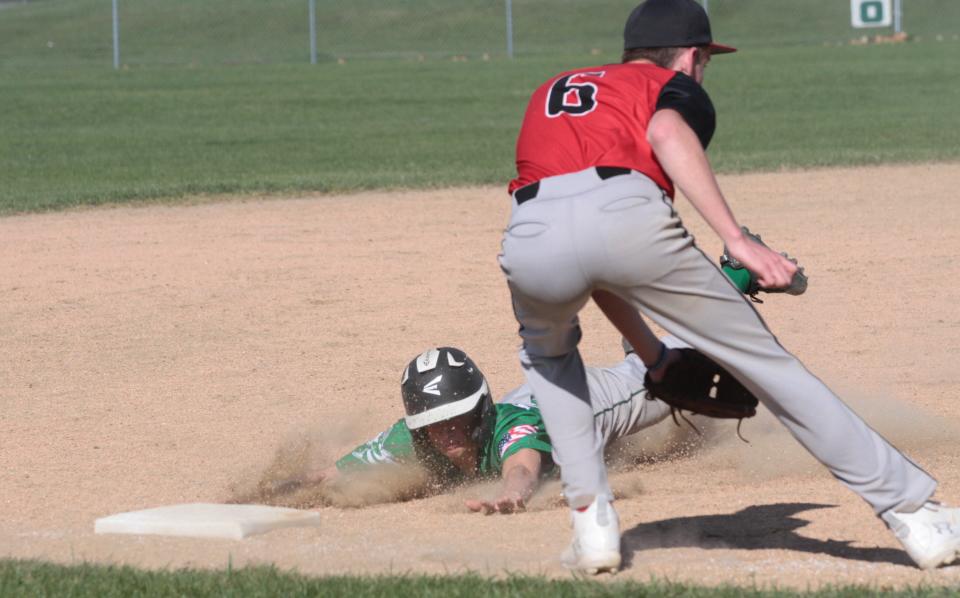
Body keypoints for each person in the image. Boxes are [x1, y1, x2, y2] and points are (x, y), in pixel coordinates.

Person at [498, 0, 960, 575]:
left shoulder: (551, 90)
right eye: (704, 62)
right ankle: (914, 512)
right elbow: (662, 137)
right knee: (766, 364)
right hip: (626, 209)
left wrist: (653, 357)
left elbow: (589, 257)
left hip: (529, 233)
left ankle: (592, 528)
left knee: (549, 359)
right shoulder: (668, 85)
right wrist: (736, 240)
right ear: (691, 58)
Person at [290, 343, 691, 514]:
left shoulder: (512, 430)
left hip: (583, 402)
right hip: (534, 396)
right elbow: (336, 473)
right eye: (432, 424)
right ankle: (641, 343)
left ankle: (734, 277)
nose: (445, 432)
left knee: (674, 380)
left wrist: (511, 496)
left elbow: (521, 468)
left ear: (480, 412)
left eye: (457, 419)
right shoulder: (413, 439)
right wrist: (282, 489)